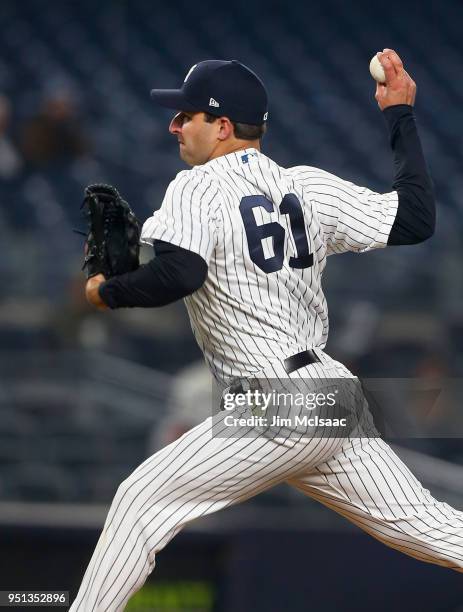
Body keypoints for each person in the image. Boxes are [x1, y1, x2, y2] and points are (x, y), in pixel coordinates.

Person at [71, 51, 463, 611]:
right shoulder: (306, 185)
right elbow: (415, 219)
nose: (175, 125)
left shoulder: (197, 186)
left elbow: (182, 272)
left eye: (188, 116)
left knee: (140, 501)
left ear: (223, 126)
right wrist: (399, 114)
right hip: (330, 397)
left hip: (277, 404)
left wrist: (103, 290)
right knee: (432, 527)